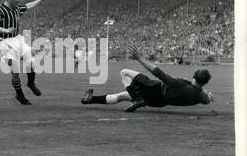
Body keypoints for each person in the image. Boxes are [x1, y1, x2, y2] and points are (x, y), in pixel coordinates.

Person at [81, 46, 214, 112]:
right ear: (205, 82)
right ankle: (90, 100)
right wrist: (208, 95)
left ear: (194, 76)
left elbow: (157, 72)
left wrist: (140, 58)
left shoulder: (179, 84)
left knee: (124, 72)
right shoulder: (201, 96)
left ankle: (138, 99)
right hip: (159, 102)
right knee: (122, 96)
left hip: (154, 89)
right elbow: (206, 100)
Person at [0, 0, 44, 105]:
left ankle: (31, 83)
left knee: (31, 61)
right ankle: (20, 95)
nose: (19, 0)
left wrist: (38, 0)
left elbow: (27, 6)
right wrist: (6, 30)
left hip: (18, 39)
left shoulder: (16, 9)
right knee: (15, 72)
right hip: (5, 42)